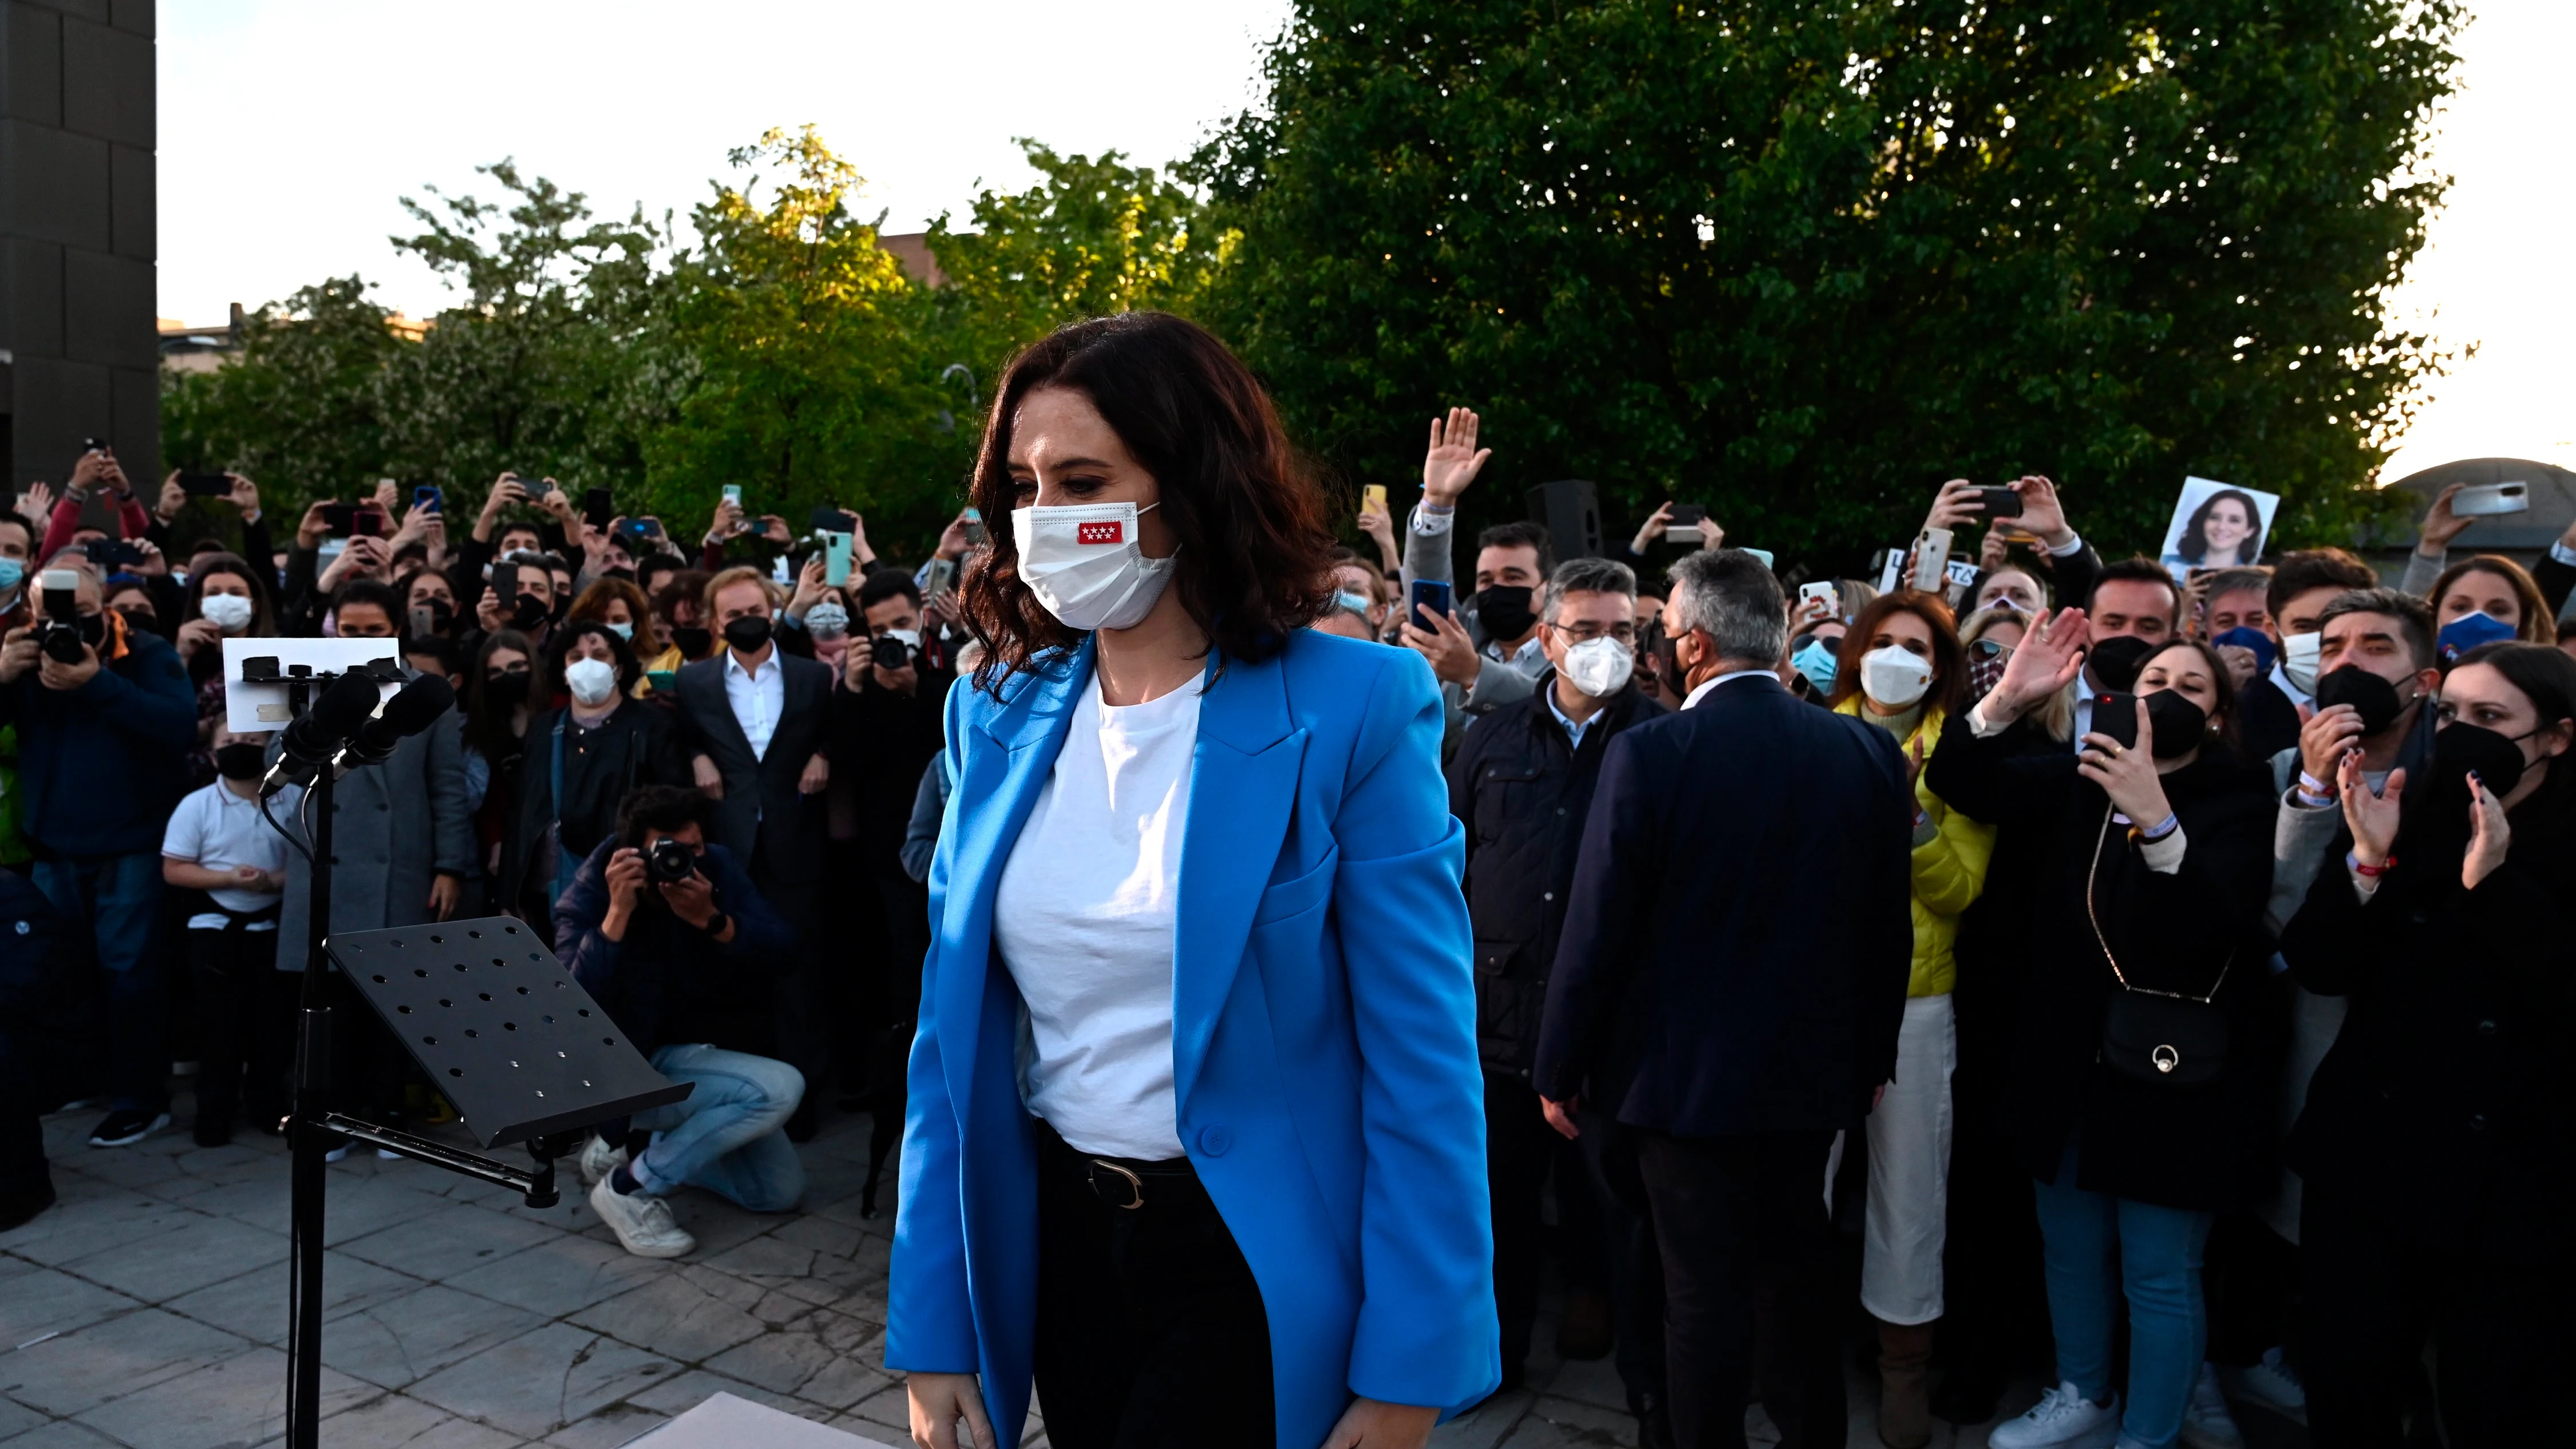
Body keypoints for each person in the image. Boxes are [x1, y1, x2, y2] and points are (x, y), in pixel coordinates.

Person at [894, 312, 1495, 1449]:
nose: (1044, 517)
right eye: (1022, 486)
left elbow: (1424, 1059)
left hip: (1247, 1258)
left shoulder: (1356, 704)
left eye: (1082, 477)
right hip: (1058, 1244)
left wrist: (1414, 1359)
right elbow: (946, 1042)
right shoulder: (992, 708)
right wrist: (934, 1320)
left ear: (1190, 482)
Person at [1538, 548, 1914, 1449]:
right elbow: (1883, 929)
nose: (1658, 647)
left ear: (1694, 644)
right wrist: (1871, 1060)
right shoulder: (1864, 748)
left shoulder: (1651, 752)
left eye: (1663, 629)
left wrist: (1558, 1063)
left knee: (1699, 1300)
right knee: (1794, 1279)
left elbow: (1597, 929)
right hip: (1813, 1079)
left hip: (1681, 1087)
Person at [1924, 624, 2274, 1449]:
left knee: (2159, 1271)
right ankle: (2085, 1390)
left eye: (2192, 687)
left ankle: (2148, 1433)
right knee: (2071, 1248)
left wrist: (2157, 821)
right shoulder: (2085, 780)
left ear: (2221, 716)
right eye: (2155, 678)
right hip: (2066, 1060)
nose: (2168, 696)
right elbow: (1964, 780)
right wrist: (2009, 697)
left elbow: (2215, 927)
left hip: (2172, 1073)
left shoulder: (2242, 799)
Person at [2277, 641, 2575, 1448]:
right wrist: (2367, 863)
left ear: (2555, 736)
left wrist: (2497, 884)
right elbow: (2317, 963)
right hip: (2373, 1165)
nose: (2463, 731)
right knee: (2350, 1392)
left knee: (2495, 1407)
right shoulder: (2409, 803)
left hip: (2517, 1187)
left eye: (2492, 718)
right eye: (2452, 713)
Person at [1447, 556, 1669, 1433]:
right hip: (1496, 1016)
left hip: (1611, 1028)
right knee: (1498, 1198)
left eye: (1624, 630)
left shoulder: (1660, 739)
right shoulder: (1494, 737)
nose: (1607, 646)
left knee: (1617, 1207)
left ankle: (1634, 1361)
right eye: (1588, 630)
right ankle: (1491, 1353)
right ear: (1548, 639)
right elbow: (1448, 866)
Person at [1823, 591, 1995, 1449]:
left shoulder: (1960, 754)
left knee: (1911, 1190)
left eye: (1915, 646)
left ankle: (1902, 1367)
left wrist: (1912, 814)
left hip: (1918, 1001)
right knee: (1796, 1179)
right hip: (1815, 995)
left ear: (1941, 665)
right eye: (1881, 641)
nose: (1896, 657)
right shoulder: (1811, 732)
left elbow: (1961, 889)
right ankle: (1790, 1344)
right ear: (1855, 653)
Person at [558, 784, 804, 1258]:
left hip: (698, 1055)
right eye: (667, 850)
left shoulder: (713, 867)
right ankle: (629, 1186)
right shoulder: (594, 886)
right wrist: (616, 916)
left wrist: (714, 920)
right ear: (632, 851)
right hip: (623, 1069)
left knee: (775, 1192)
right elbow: (569, 1007)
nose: (683, 859)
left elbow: (785, 950)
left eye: (692, 846)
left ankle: (640, 1148)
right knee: (778, 1088)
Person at [0, 559, 197, 1146]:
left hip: (130, 842)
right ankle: (87, 1077)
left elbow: (176, 725)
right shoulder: (25, 653)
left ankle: (141, 1096)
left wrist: (98, 682)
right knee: (66, 977)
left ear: (103, 604)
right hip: (55, 845)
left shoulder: (145, 650)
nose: (65, 626)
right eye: (51, 613)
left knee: (130, 976)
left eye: (80, 613)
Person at [672, 566, 833, 1132]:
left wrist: (823, 752)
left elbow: (836, 728)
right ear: (717, 623)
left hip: (796, 843)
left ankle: (803, 1105)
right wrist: (696, 755)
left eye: (753, 610)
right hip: (729, 847)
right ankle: (741, 1101)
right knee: (734, 974)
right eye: (732, 614)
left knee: (800, 975)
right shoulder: (693, 683)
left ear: (773, 609)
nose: (745, 621)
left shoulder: (814, 677)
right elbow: (682, 735)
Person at [503, 622, 690, 921]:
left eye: (600, 655)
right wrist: (510, 894)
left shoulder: (652, 726)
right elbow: (523, 813)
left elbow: (672, 810)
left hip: (627, 895)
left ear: (618, 668)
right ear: (563, 671)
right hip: (545, 894)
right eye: (576, 657)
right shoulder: (544, 729)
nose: (587, 664)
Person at [160, 727, 289, 1146]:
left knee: (272, 1026)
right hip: (214, 928)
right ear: (214, 752)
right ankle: (214, 1112)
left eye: (254, 741)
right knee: (218, 1028)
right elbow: (174, 867)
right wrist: (228, 878)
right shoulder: (196, 805)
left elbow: (313, 861)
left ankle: (270, 1107)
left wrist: (273, 883)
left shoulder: (293, 798)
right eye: (232, 741)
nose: (242, 748)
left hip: (274, 924)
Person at [2421, 555, 2557, 650]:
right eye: (2461, 607)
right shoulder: (2410, 687)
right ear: (2434, 612)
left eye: (2498, 610)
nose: (2478, 621)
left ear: (2526, 620)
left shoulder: (2555, 689)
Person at [2165, 489, 2266, 573]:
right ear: (2203, 522)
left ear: (2250, 531)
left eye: (2234, 520)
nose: (2221, 527)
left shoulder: (2254, 578)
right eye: (2214, 518)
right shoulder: (2168, 563)